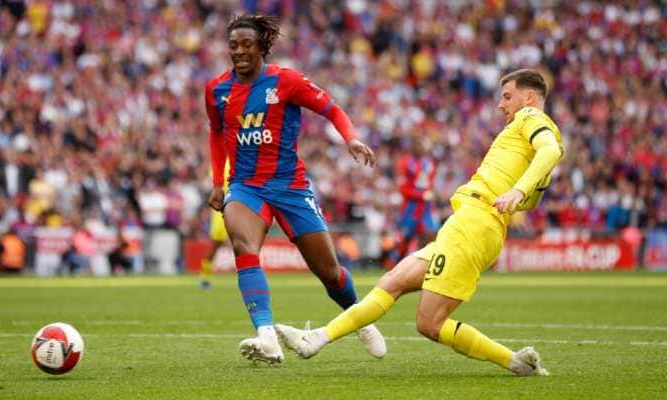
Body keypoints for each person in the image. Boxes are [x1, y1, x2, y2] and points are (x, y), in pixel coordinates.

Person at [276, 69, 564, 376]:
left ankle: (514, 362)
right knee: (392, 282)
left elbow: (550, 150)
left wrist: (517, 190)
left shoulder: (532, 117)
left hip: (476, 224)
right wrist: (521, 191)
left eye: (507, 96)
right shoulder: (526, 138)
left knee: (429, 324)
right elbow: (536, 191)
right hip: (470, 222)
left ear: (529, 97)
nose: (500, 105)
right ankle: (315, 339)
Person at [205, 14, 385, 364]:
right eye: (233, 46)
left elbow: (331, 109)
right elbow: (215, 133)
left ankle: (359, 318)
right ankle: (266, 334)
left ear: (261, 47)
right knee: (242, 244)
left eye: (246, 44)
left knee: (329, 272)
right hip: (246, 187)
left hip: (291, 188)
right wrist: (217, 181)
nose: (239, 51)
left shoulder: (286, 81)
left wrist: (350, 138)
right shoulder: (216, 89)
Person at [386, 138, 439, 269]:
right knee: (404, 239)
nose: (420, 148)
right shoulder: (405, 163)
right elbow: (403, 188)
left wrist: (431, 193)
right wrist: (421, 195)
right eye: (418, 145)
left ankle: (428, 267)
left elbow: (430, 185)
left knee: (431, 235)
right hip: (410, 209)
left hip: (426, 208)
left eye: (422, 145)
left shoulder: (429, 164)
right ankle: (390, 266)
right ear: (413, 147)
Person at [200, 162, 231, 290]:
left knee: (245, 243)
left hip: (239, 204)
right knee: (215, 246)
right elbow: (212, 184)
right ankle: (205, 277)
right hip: (221, 208)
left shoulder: (241, 155)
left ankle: (251, 275)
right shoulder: (221, 162)